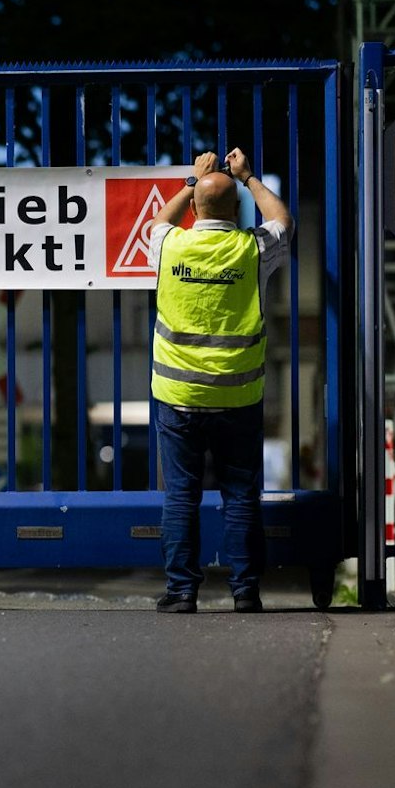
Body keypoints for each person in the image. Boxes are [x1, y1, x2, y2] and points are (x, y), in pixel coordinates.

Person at [146, 148, 292, 613]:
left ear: (194, 210)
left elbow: (158, 221)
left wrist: (193, 180)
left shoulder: (170, 245)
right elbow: (284, 221)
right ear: (238, 211)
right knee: (241, 495)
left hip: (177, 395)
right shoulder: (251, 249)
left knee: (181, 497)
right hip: (238, 394)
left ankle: (181, 592)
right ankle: (246, 591)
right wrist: (248, 177)